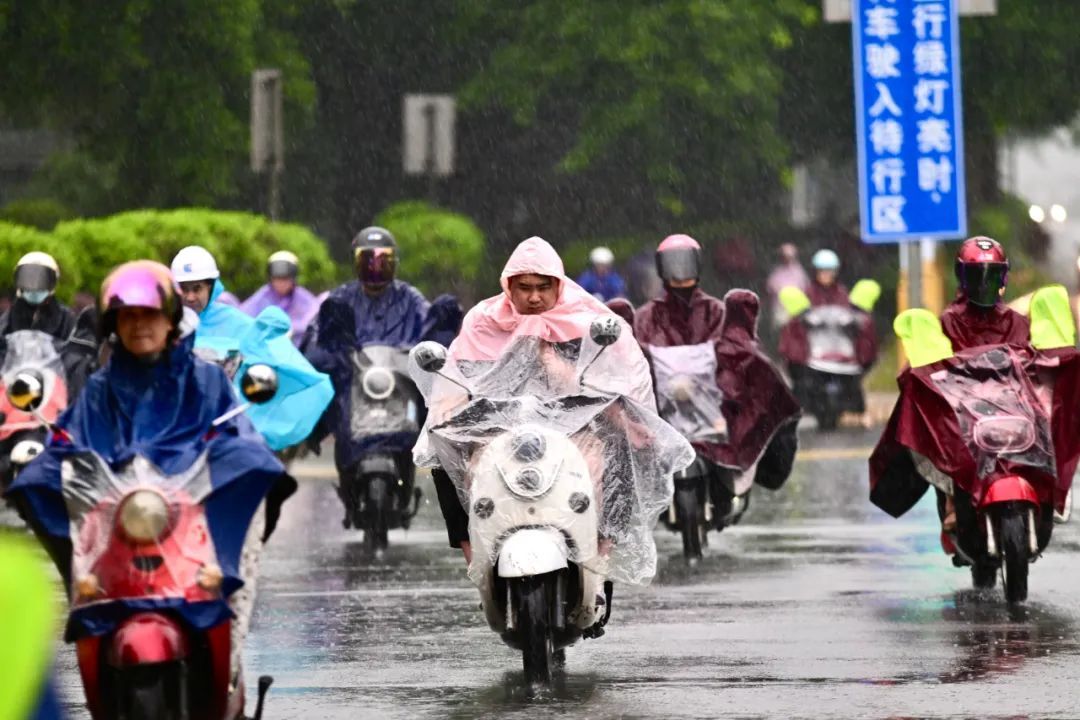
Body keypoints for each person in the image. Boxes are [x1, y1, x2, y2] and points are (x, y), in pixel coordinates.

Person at [7, 260, 294, 681]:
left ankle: (229, 651)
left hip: (190, 519)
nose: (140, 326)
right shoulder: (101, 388)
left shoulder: (206, 380)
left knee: (254, 477)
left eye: (150, 315)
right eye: (128, 316)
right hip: (121, 520)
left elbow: (236, 434)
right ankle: (82, 592)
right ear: (113, 326)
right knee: (34, 484)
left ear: (171, 321)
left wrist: (230, 459)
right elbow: (69, 440)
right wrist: (47, 466)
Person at [422, 236, 656, 565]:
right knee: (442, 446)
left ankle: (603, 550)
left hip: (575, 428)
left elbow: (608, 382)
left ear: (558, 286)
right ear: (509, 287)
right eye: (525, 288)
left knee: (620, 446)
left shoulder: (583, 322)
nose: (534, 297)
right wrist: (447, 408)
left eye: (543, 287)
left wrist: (625, 420)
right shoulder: (485, 321)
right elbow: (462, 374)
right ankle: (472, 554)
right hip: (498, 426)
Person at [635, 234, 800, 490]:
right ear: (660, 267)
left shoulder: (717, 311)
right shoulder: (647, 317)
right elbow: (634, 358)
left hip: (714, 407)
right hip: (665, 408)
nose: (680, 271)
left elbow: (741, 349)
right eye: (673, 263)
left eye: (686, 262)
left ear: (698, 265)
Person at [305, 226, 429, 517]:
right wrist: (325, 354)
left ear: (393, 262)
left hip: (398, 383)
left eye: (382, 260)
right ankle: (345, 481)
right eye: (368, 260)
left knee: (434, 411)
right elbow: (317, 332)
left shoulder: (410, 299)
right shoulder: (340, 298)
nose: (375, 268)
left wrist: (429, 348)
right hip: (354, 385)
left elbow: (429, 327)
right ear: (356, 262)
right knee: (332, 410)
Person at [0, 251, 96, 395]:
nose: (34, 284)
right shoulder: (7, 319)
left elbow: (75, 358)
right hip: (14, 389)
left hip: (55, 390)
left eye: (40, 277)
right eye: (28, 277)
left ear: (53, 282)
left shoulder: (67, 318)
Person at [941, 236, 1029, 350]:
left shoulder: (1016, 323)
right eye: (976, 275)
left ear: (1003, 277)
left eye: (992, 275)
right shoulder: (950, 322)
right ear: (962, 275)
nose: (984, 284)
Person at [170, 245, 255, 349]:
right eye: (184, 289)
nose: (190, 298)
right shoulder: (166, 323)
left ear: (211, 288)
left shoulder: (239, 324)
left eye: (197, 289)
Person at [240, 251, 321, 346]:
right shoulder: (262, 296)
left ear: (293, 278)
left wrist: (292, 330)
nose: (281, 284)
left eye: (285, 279)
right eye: (277, 279)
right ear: (271, 278)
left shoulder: (304, 299)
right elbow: (244, 317)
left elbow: (314, 321)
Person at [766, 243, 810, 329]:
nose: (787, 258)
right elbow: (770, 287)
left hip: (796, 308)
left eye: (789, 256)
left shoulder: (800, 272)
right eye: (785, 256)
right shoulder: (777, 271)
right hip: (780, 307)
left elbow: (805, 288)